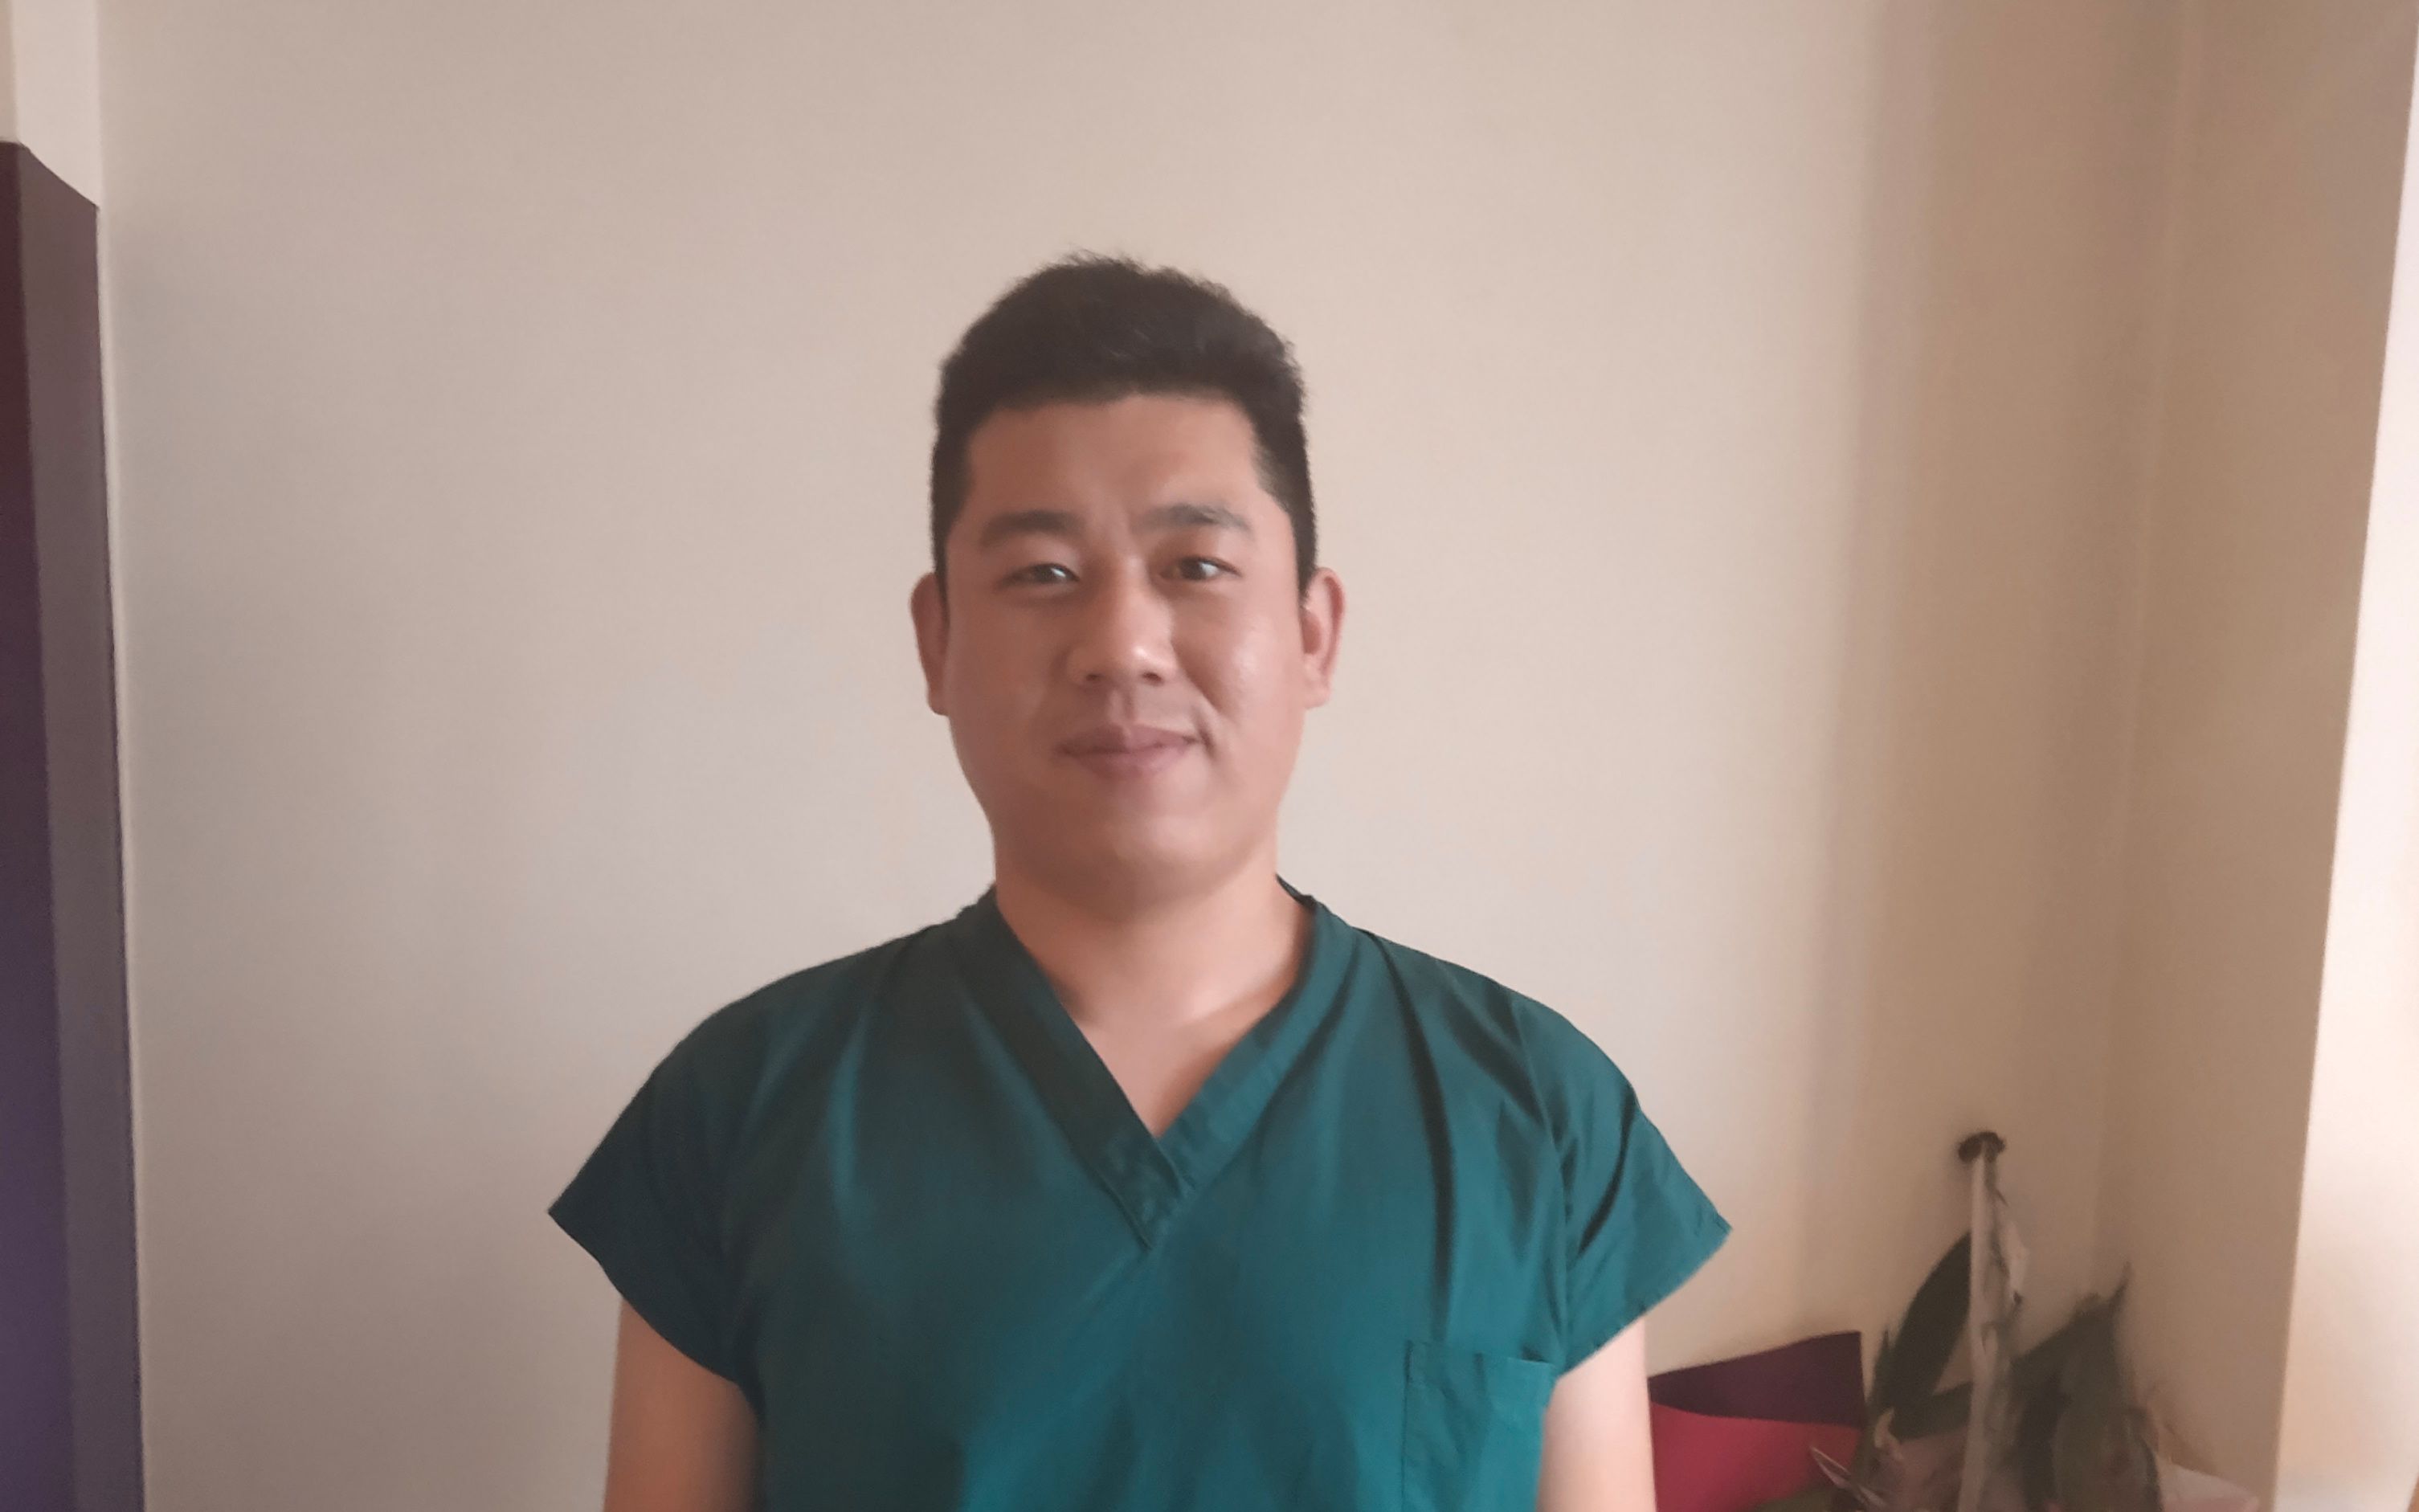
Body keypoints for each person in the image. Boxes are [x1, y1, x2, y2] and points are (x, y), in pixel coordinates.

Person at [550, 254, 1728, 1512]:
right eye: (1044, 572)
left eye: (1195, 566)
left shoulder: (1540, 1118)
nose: (1120, 642)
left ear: (1314, 632)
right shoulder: (741, 1110)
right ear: (937, 640)